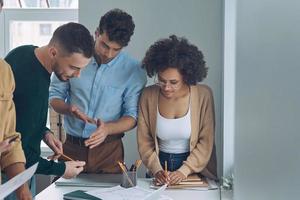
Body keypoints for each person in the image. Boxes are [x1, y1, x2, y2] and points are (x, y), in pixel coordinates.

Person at [49, 9, 147, 173]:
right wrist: (69, 109)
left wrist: (107, 128)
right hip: (72, 148)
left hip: (109, 152)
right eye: (105, 45)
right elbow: (54, 96)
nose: (108, 53)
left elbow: (132, 116)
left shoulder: (134, 71)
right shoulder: (74, 57)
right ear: (96, 33)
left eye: (116, 49)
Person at [4, 22, 94, 196]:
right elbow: (20, 152)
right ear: (54, 52)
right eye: (74, 67)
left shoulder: (25, 52)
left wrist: (44, 132)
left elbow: (17, 117)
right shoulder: (33, 86)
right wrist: (61, 169)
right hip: (12, 178)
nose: (77, 75)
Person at [137, 35, 217, 186]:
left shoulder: (203, 95)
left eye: (173, 82)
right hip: (159, 165)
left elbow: (206, 141)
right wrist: (157, 170)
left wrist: (184, 170)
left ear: (186, 76)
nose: (166, 87)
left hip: (195, 167)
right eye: (161, 80)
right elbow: (144, 141)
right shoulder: (148, 95)